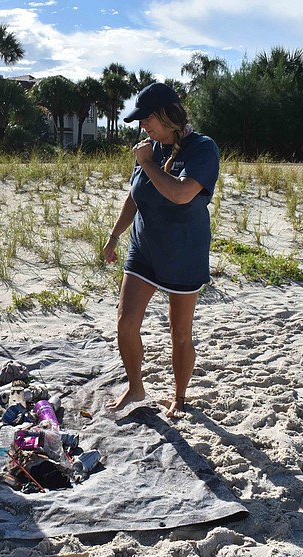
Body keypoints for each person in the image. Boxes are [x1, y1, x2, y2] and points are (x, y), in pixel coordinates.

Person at [103, 82, 219, 417]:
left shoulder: (202, 148)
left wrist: (148, 163)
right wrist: (114, 236)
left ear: (168, 115)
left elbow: (181, 194)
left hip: (184, 252)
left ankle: (179, 398)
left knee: (179, 333)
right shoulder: (148, 149)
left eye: (147, 118)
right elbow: (134, 195)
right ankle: (135, 387)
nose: (142, 125)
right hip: (144, 250)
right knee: (125, 322)